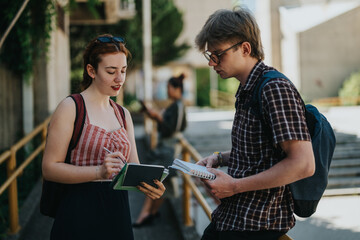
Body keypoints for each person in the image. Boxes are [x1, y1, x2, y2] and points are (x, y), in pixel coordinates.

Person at [195, 7, 315, 240]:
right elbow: (261, 150)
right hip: (232, 218)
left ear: (245, 48)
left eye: (218, 54)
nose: (212, 63)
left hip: (257, 227)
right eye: (210, 56)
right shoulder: (247, 88)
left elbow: (303, 164)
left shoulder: (274, 88)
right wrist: (218, 158)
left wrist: (234, 186)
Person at [42, 34, 165, 240]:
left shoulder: (123, 114)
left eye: (123, 71)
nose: (120, 79)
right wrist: (98, 172)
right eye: (111, 71)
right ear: (91, 70)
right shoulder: (71, 107)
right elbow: (49, 168)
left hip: (117, 213)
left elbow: (133, 166)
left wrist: (150, 186)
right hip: (78, 213)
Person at [133, 74, 187, 227]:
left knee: (154, 179)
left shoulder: (178, 106)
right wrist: (155, 116)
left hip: (168, 149)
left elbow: (172, 128)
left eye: (169, 87)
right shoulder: (175, 105)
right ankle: (151, 213)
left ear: (177, 89)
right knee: (162, 182)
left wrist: (158, 117)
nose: (167, 90)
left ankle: (145, 214)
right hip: (167, 148)